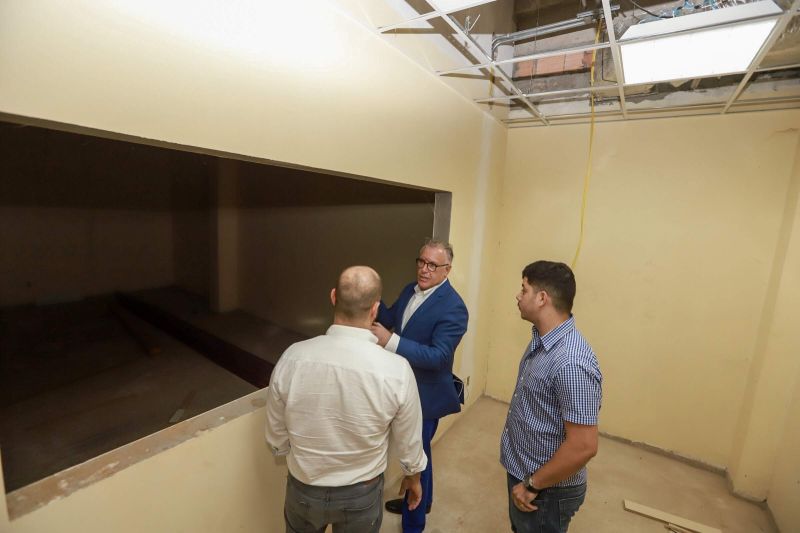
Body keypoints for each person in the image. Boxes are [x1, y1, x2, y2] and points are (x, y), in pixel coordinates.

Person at [265, 266, 427, 533]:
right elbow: (409, 439)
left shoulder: (293, 357)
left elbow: (275, 433)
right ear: (375, 309)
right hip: (362, 493)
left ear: (332, 297)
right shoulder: (397, 370)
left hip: (304, 487)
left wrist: (284, 452)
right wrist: (414, 476)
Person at [370, 239, 468, 533]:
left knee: (416, 459)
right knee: (421, 454)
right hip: (401, 386)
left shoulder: (454, 308)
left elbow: (438, 357)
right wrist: (368, 304)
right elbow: (390, 317)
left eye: (432, 265)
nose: (424, 270)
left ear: (447, 270)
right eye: (421, 261)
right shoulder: (408, 290)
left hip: (425, 396)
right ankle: (422, 502)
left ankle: (414, 524)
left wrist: (391, 341)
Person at [500, 261, 602, 533]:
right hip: (529, 475)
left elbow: (584, 446)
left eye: (524, 289)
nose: (518, 296)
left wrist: (532, 485)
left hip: (545, 491)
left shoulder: (571, 362)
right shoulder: (543, 339)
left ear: (542, 298)